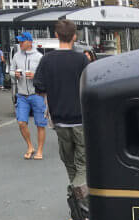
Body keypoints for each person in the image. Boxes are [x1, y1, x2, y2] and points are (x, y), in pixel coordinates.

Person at [33, 19, 89, 203]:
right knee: (83, 163)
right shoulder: (82, 59)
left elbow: (39, 87)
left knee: (69, 161)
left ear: (56, 35)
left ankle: (76, 195)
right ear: (75, 36)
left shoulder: (47, 60)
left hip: (60, 121)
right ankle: (79, 197)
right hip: (81, 119)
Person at [12, 32, 45, 160]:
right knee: (21, 122)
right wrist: (14, 74)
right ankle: (30, 146)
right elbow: (10, 70)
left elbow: (44, 76)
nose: (20, 44)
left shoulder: (39, 57)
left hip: (36, 94)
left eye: (22, 41)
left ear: (30, 42)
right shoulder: (16, 56)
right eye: (19, 41)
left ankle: (40, 150)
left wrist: (35, 75)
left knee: (40, 124)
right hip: (22, 95)